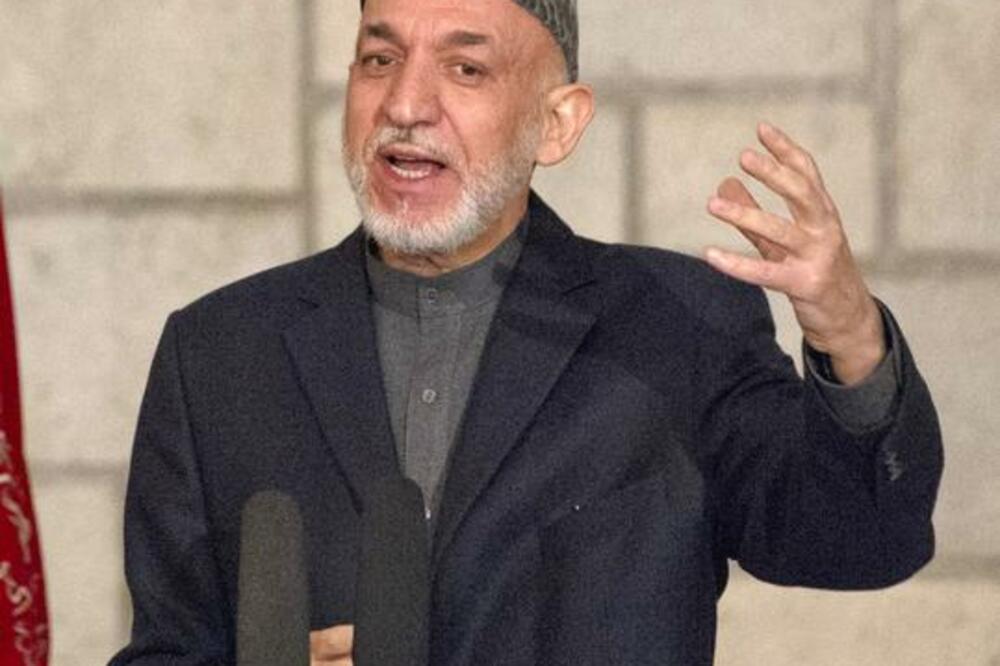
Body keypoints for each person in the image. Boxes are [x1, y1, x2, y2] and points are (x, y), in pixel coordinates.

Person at [111, 0, 943, 664]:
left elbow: (861, 542)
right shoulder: (219, 354)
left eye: (466, 68)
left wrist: (849, 333)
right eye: (379, 58)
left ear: (558, 124)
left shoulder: (676, 327)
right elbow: (168, 647)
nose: (405, 105)